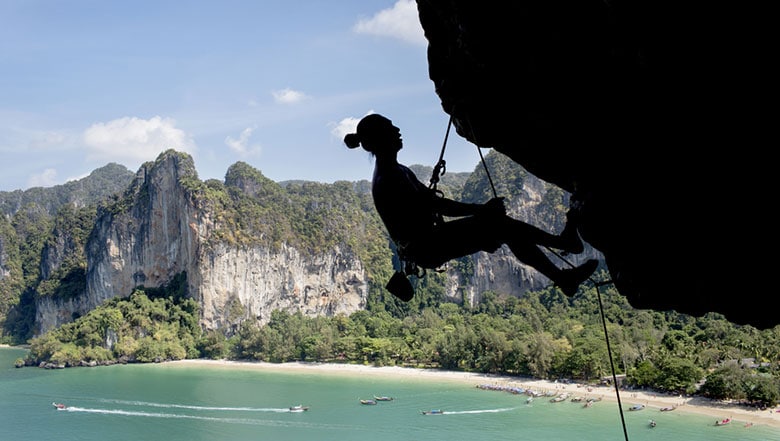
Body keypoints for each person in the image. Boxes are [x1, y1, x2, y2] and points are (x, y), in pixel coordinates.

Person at [344, 113, 598, 300]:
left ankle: (564, 270)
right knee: (500, 225)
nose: (398, 129)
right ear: (379, 139)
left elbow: (432, 203)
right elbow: (437, 204)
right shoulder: (390, 175)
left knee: (504, 229)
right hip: (428, 246)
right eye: (390, 128)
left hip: (427, 244)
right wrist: (481, 210)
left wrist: (481, 211)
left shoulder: (396, 170)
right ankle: (563, 249)